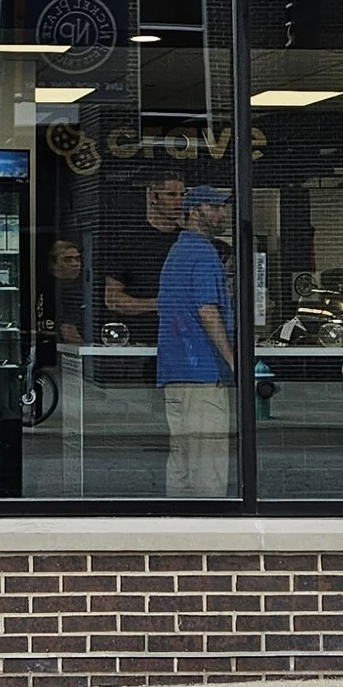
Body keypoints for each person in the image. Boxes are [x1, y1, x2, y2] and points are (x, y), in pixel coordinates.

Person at [156, 184, 235, 496]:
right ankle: (211, 533)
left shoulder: (175, 253)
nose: (222, 213)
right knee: (209, 463)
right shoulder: (204, 253)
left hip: (174, 372)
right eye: (214, 207)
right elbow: (207, 311)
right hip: (203, 373)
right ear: (194, 211)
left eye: (222, 207)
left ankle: (177, 528)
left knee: (181, 459)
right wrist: (232, 359)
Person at [101, 169, 185, 337]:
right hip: (140, 338)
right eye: (171, 194)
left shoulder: (187, 242)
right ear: (153, 198)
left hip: (183, 337)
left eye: (182, 195)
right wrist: (156, 305)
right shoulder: (131, 242)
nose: (179, 201)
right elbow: (112, 299)